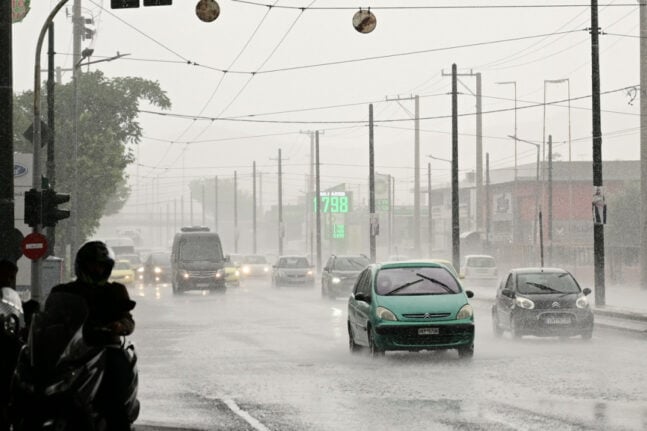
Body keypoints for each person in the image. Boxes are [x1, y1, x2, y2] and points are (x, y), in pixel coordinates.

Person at [48, 241, 138, 430]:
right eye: (93, 265)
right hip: (70, 351)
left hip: (104, 349)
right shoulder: (64, 291)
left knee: (115, 394)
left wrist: (119, 325)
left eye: (101, 266)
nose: (97, 270)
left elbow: (128, 320)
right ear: (82, 265)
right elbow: (48, 317)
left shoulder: (115, 291)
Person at [0, 259, 22, 431]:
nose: (9, 280)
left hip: (8, 343)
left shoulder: (9, 297)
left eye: (11, 277)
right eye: (6, 276)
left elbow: (15, 315)